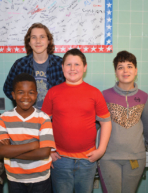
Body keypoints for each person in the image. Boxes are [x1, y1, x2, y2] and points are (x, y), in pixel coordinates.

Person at [42, 48, 112, 193]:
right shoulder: (53, 92)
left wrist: (101, 150)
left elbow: (106, 122)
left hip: (87, 160)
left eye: (77, 64)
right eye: (68, 64)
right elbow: (43, 123)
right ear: (62, 68)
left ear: (85, 67)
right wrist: (48, 149)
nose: (72, 68)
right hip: (60, 160)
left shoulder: (94, 93)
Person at [99, 51, 148, 193]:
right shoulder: (104, 95)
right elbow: (97, 125)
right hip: (109, 157)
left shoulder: (144, 97)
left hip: (136, 157)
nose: (125, 70)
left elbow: (147, 124)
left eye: (129, 66)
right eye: (120, 67)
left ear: (135, 71)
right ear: (115, 72)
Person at [0, 73, 55, 193]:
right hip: (14, 178)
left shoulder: (43, 118)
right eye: (20, 92)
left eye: (31, 92)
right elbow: (0, 151)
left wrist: (10, 151)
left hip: (40, 178)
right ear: (13, 95)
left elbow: (44, 152)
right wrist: (32, 145)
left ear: (36, 95)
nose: (26, 96)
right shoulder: (4, 118)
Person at [3, 23, 65, 109]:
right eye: (34, 37)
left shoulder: (60, 64)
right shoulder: (20, 65)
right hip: (28, 118)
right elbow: (8, 88)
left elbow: (69, 90)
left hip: (54, 118)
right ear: (29, 42)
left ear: (49, 41)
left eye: (42, 37)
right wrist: (23, 104)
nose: (38, 41)